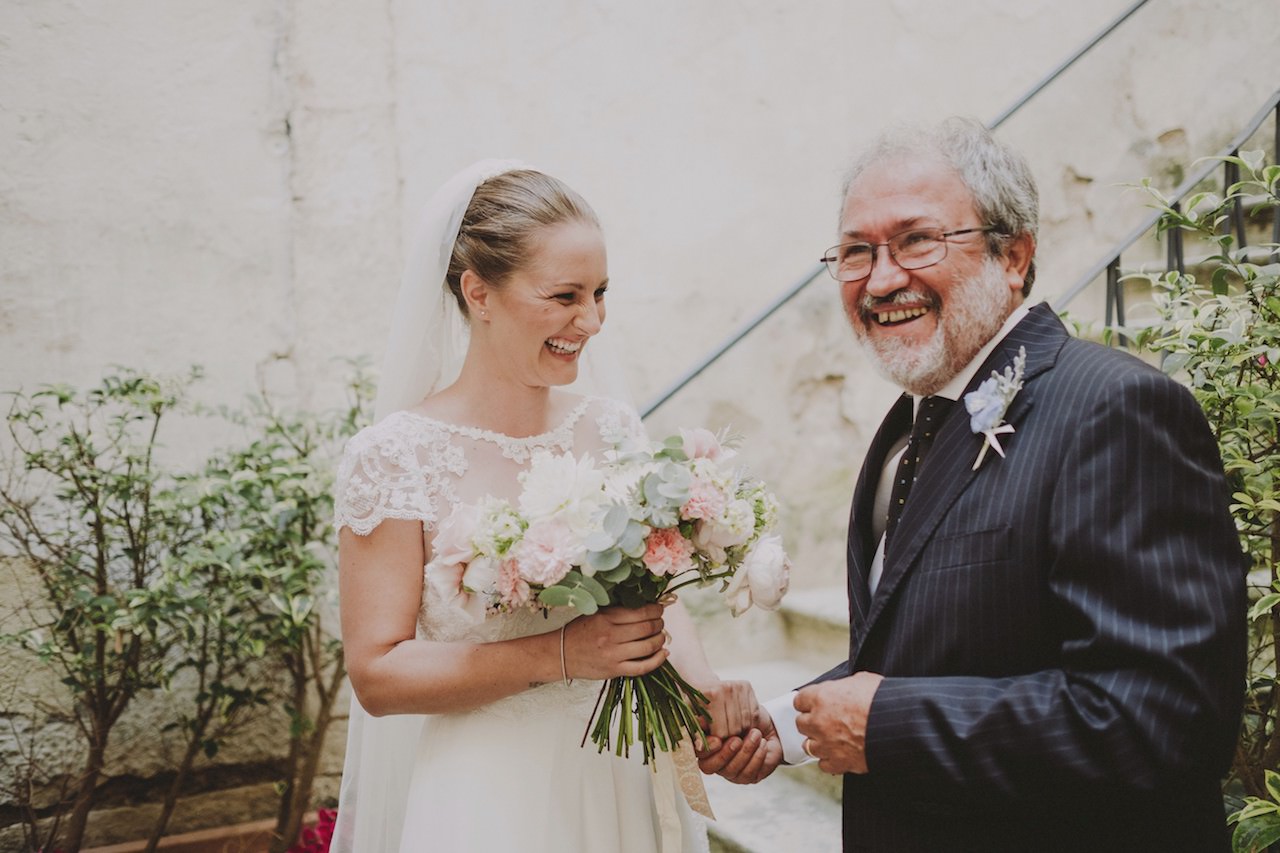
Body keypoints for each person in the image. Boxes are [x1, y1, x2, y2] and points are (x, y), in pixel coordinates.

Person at [696, 118, 1246, 851]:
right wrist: (788, 723)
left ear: (1013, 254)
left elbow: (1163, 715)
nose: (882, 277)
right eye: (857, 250)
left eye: (917, 239)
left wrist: (887, 724)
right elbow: (933, 648)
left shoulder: (1114, 410)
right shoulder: (909, 424)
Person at [330, 161, 756, 853]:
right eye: (564, 295)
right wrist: (560, 652)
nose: (590, 320)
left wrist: (704, 686)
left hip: (616, 770)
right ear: (479, 293)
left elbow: (655, 592)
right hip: (489, 790)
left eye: (599, 293)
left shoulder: (610, 427)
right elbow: (377, 673)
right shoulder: (395, 455)